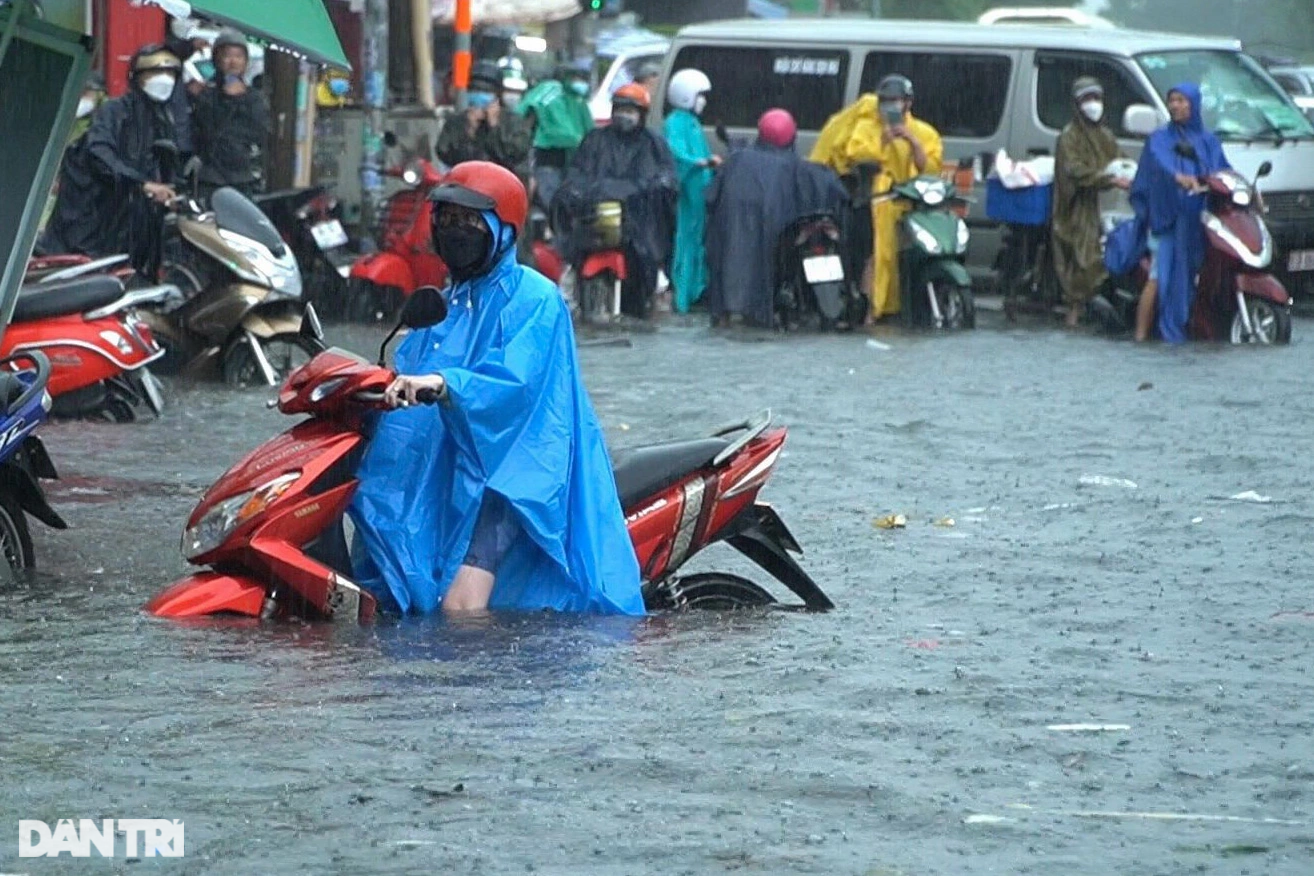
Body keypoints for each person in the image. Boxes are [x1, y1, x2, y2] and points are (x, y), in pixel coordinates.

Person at [348, 161, 644, 617]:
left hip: (513, 475)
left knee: (461, 608)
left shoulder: (534, 298)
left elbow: (515, 381)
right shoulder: (449, 302)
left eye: (469, 222)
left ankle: (482, 686)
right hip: (464, 464)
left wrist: (446, 383)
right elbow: (407, 372)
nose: (454, 231)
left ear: (502, 230)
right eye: (446, 219)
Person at [810, 74, 943, 321]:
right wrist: (882, 142)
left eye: (896, 101)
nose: (890, 107)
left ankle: (901, 305)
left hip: (907, 203)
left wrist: (912, 142)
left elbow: (930, 168)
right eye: (885, 101)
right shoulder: (867, 126)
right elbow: (855, 155)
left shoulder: (924, 132)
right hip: (872, 201)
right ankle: (869, 309)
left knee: (898, 258)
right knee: (872, 256)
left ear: (908, 103)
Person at [41, 45, 187, 262]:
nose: (164, 79)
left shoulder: (166, 118)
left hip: (134, 224)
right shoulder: (115, 112)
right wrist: (140, 183)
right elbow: (99, 153)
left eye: (169, 73)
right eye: (155, 73)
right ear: (137, 77)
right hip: (96, 218)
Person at [704, 108, 848, 328]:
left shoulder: (736, 162)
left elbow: (710, 199)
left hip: (735, 247)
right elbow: (833, 192)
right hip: (777, 249)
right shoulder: (802, 169)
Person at [550, 84, 677, 322]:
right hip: (594, 222)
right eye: (620, 109)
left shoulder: (653, 144)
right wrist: (575, 191)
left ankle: (655, 284)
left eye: (631, 111)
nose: (624, 116)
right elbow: (577, 172)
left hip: (637, 225)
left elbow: (667, 176)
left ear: (642, 114)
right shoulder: (595, 140)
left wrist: (655, 187)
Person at [1129, 82, 1230, 343]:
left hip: (1199, 219)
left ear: (1194, 104)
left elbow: (1222, 170)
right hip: (1168, 220)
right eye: (1172, 100)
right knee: (1159, 276)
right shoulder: (1159, 139)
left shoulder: (1208, 141)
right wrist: (1178, 178)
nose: (1176, 105)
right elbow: (1158, 167)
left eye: (1182, 100)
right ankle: (1140, 336)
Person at [1051, 76, 1128, 328]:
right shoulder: (1069, 137)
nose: (1093, 104)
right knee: (1082, 260)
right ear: (1077, 104)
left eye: (1096, 98)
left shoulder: (1104, 135)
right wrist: (1107, 179)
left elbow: (1121, 160)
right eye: (1087, 99)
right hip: (1077, 207)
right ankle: (1074, 313)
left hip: (1107, 205)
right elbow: (1075, 172)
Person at [663, 68, 718, 313]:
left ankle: (696, 291)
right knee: (685, 242)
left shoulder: (693, 123)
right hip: (688, 197)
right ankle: (683, 296)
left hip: (700, 196)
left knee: (699, 241)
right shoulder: (674, 123)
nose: (704, 101)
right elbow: (676, 155)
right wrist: (701, 163)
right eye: (700, 95)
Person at [191, 28, 269, 198]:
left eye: (239, 57)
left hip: (242, 176)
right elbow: (204, 130)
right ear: (216, 59)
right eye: (227, 56)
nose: (233, 62)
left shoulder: (254, 97)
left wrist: (239, 98)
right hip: (211, 177)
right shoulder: (206, 94)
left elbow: (260, 131)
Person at [434, 59, 533, 179]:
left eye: (486, 91)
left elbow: (515, 155)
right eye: (475, 90)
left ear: (497, 95)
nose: (479, 96)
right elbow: (445, 153)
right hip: (467, 184)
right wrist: (469, 131)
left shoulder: (514, 122)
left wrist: (494, 127)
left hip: (502, 185)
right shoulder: (457, 121)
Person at [38, 72, 107, 233]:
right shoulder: (67, 119)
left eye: (86, 91)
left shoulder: (103, 123)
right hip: (56, 190)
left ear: (99, 94)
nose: (80, 96)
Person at [516, 59, 595, 171]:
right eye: (578, 78)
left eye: (584, 79)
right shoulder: (552, 92)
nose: (581, 83)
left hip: (572, 160)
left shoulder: (579, 101)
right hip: (548, 155)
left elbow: (589, 129)